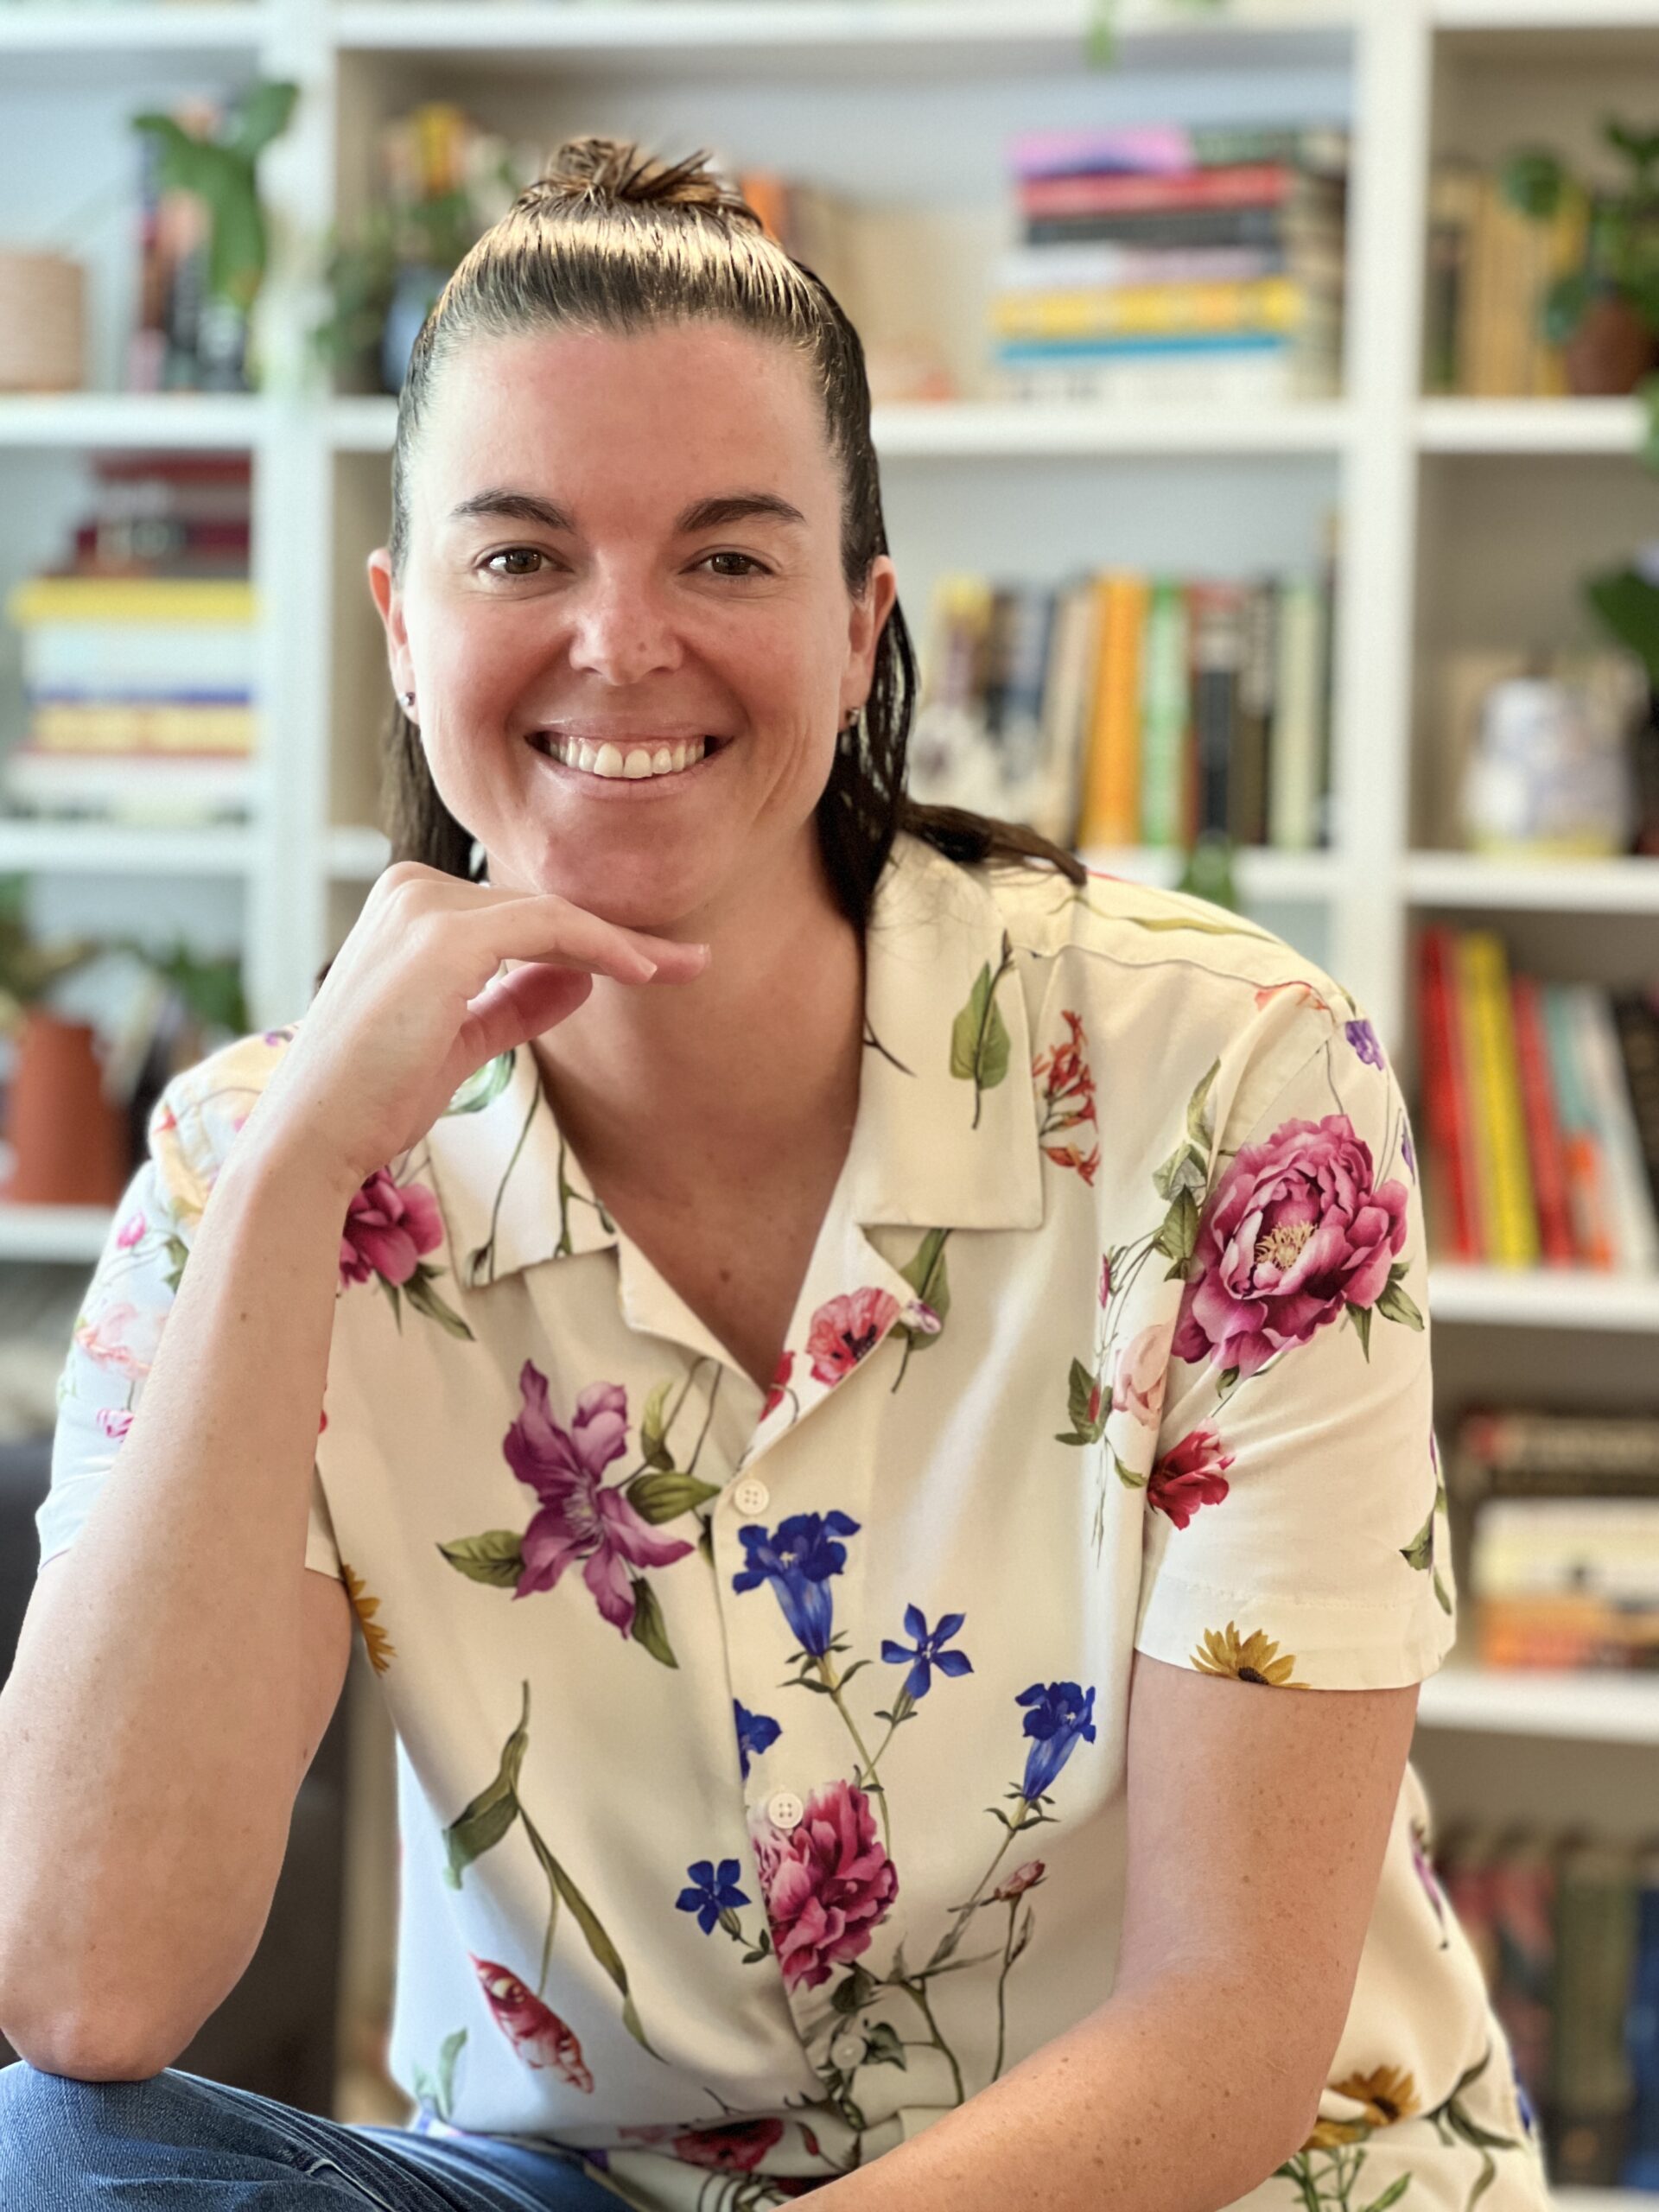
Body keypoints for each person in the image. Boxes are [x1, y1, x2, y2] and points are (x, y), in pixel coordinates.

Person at [0, 137, 1549, 2212]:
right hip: (599, 2184)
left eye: (728, 559)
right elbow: (89, 1988)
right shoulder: (245, 1165)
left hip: (1187, 2185)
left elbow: (1228, 2030)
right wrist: (292, 1186)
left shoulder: (1234, 1081)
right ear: (398, 621)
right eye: (520, 555)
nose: (621, 644)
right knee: (65, 2156)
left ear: (858, 626)